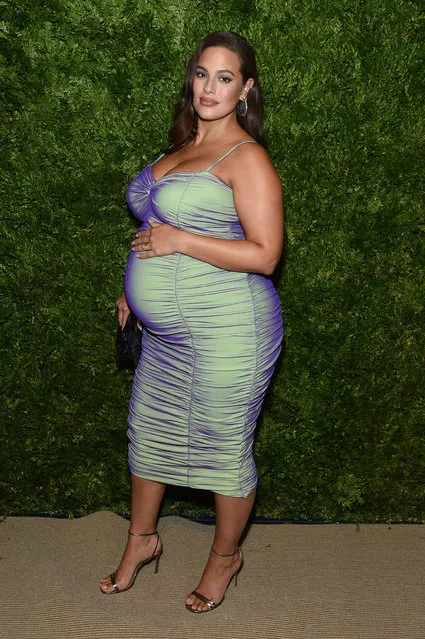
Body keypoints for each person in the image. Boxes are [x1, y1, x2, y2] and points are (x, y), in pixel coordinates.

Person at [99, 30, 284, 613]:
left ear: (245, 88)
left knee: (224, 446)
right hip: (166, 334)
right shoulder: (177, 149)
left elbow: (265, 254)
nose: (210, 87)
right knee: (147, 435)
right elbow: (153, 225)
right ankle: (142, 541)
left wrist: (178, 239)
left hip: (231, 327)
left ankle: (225, 558)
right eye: (202, 74)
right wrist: (134, 286)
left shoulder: (246, 157)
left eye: (225, 77)